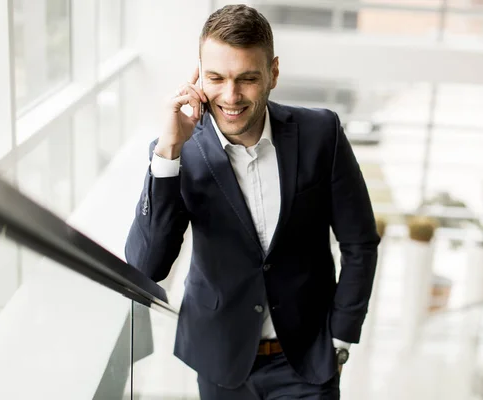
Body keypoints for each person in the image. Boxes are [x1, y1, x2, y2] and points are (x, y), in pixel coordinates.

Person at [125, 4, 380, 399]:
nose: (231, 96)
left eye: (247, 79)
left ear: (273, 73)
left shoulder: (320, 133)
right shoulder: (180, 154)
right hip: (220, 362)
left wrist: (341, 337)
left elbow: (360, 242)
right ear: (199, 76)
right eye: (216, 78)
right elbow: (146, 267)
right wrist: (169, 148)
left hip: (307, 362)